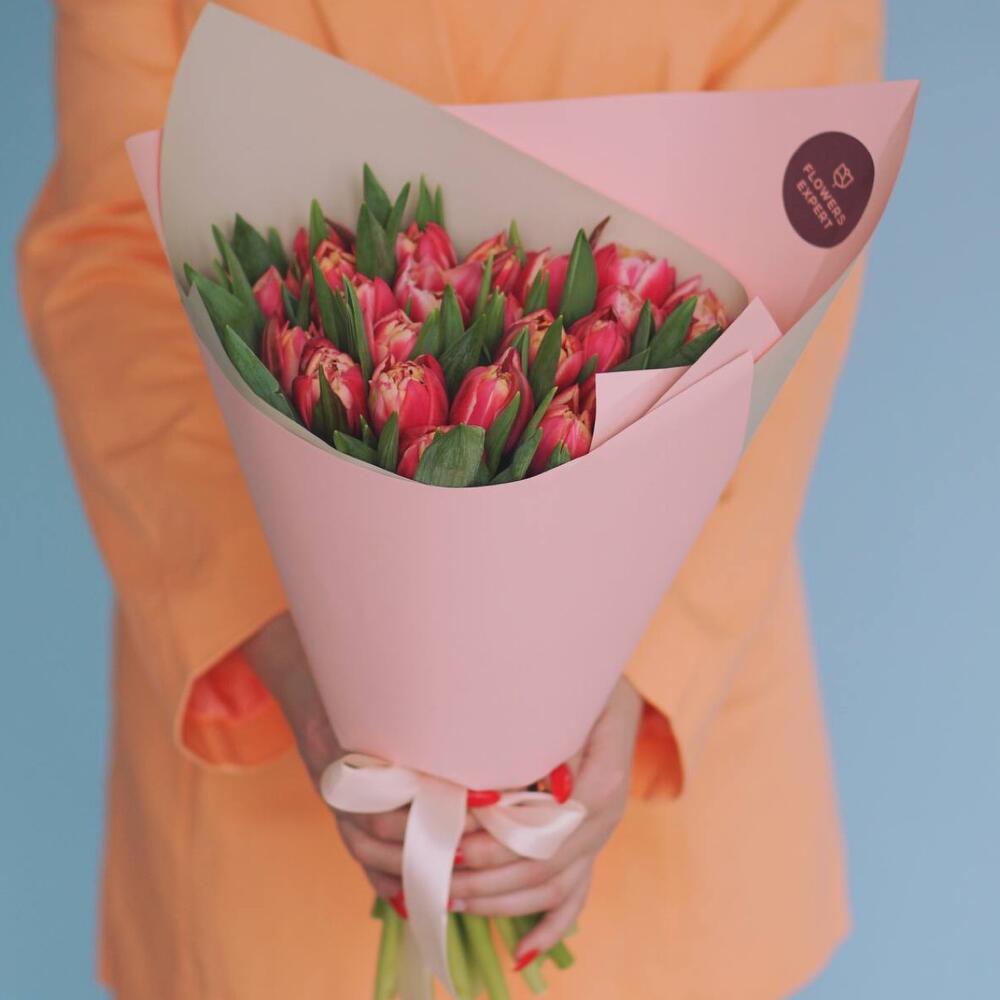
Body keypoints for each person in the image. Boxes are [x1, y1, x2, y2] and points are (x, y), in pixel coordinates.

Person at [18, 1, 883, 996]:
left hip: (655, 778)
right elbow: (111, 255)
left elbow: (800, 263)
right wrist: (289, 641)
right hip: (274, 774)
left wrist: (647, 672)